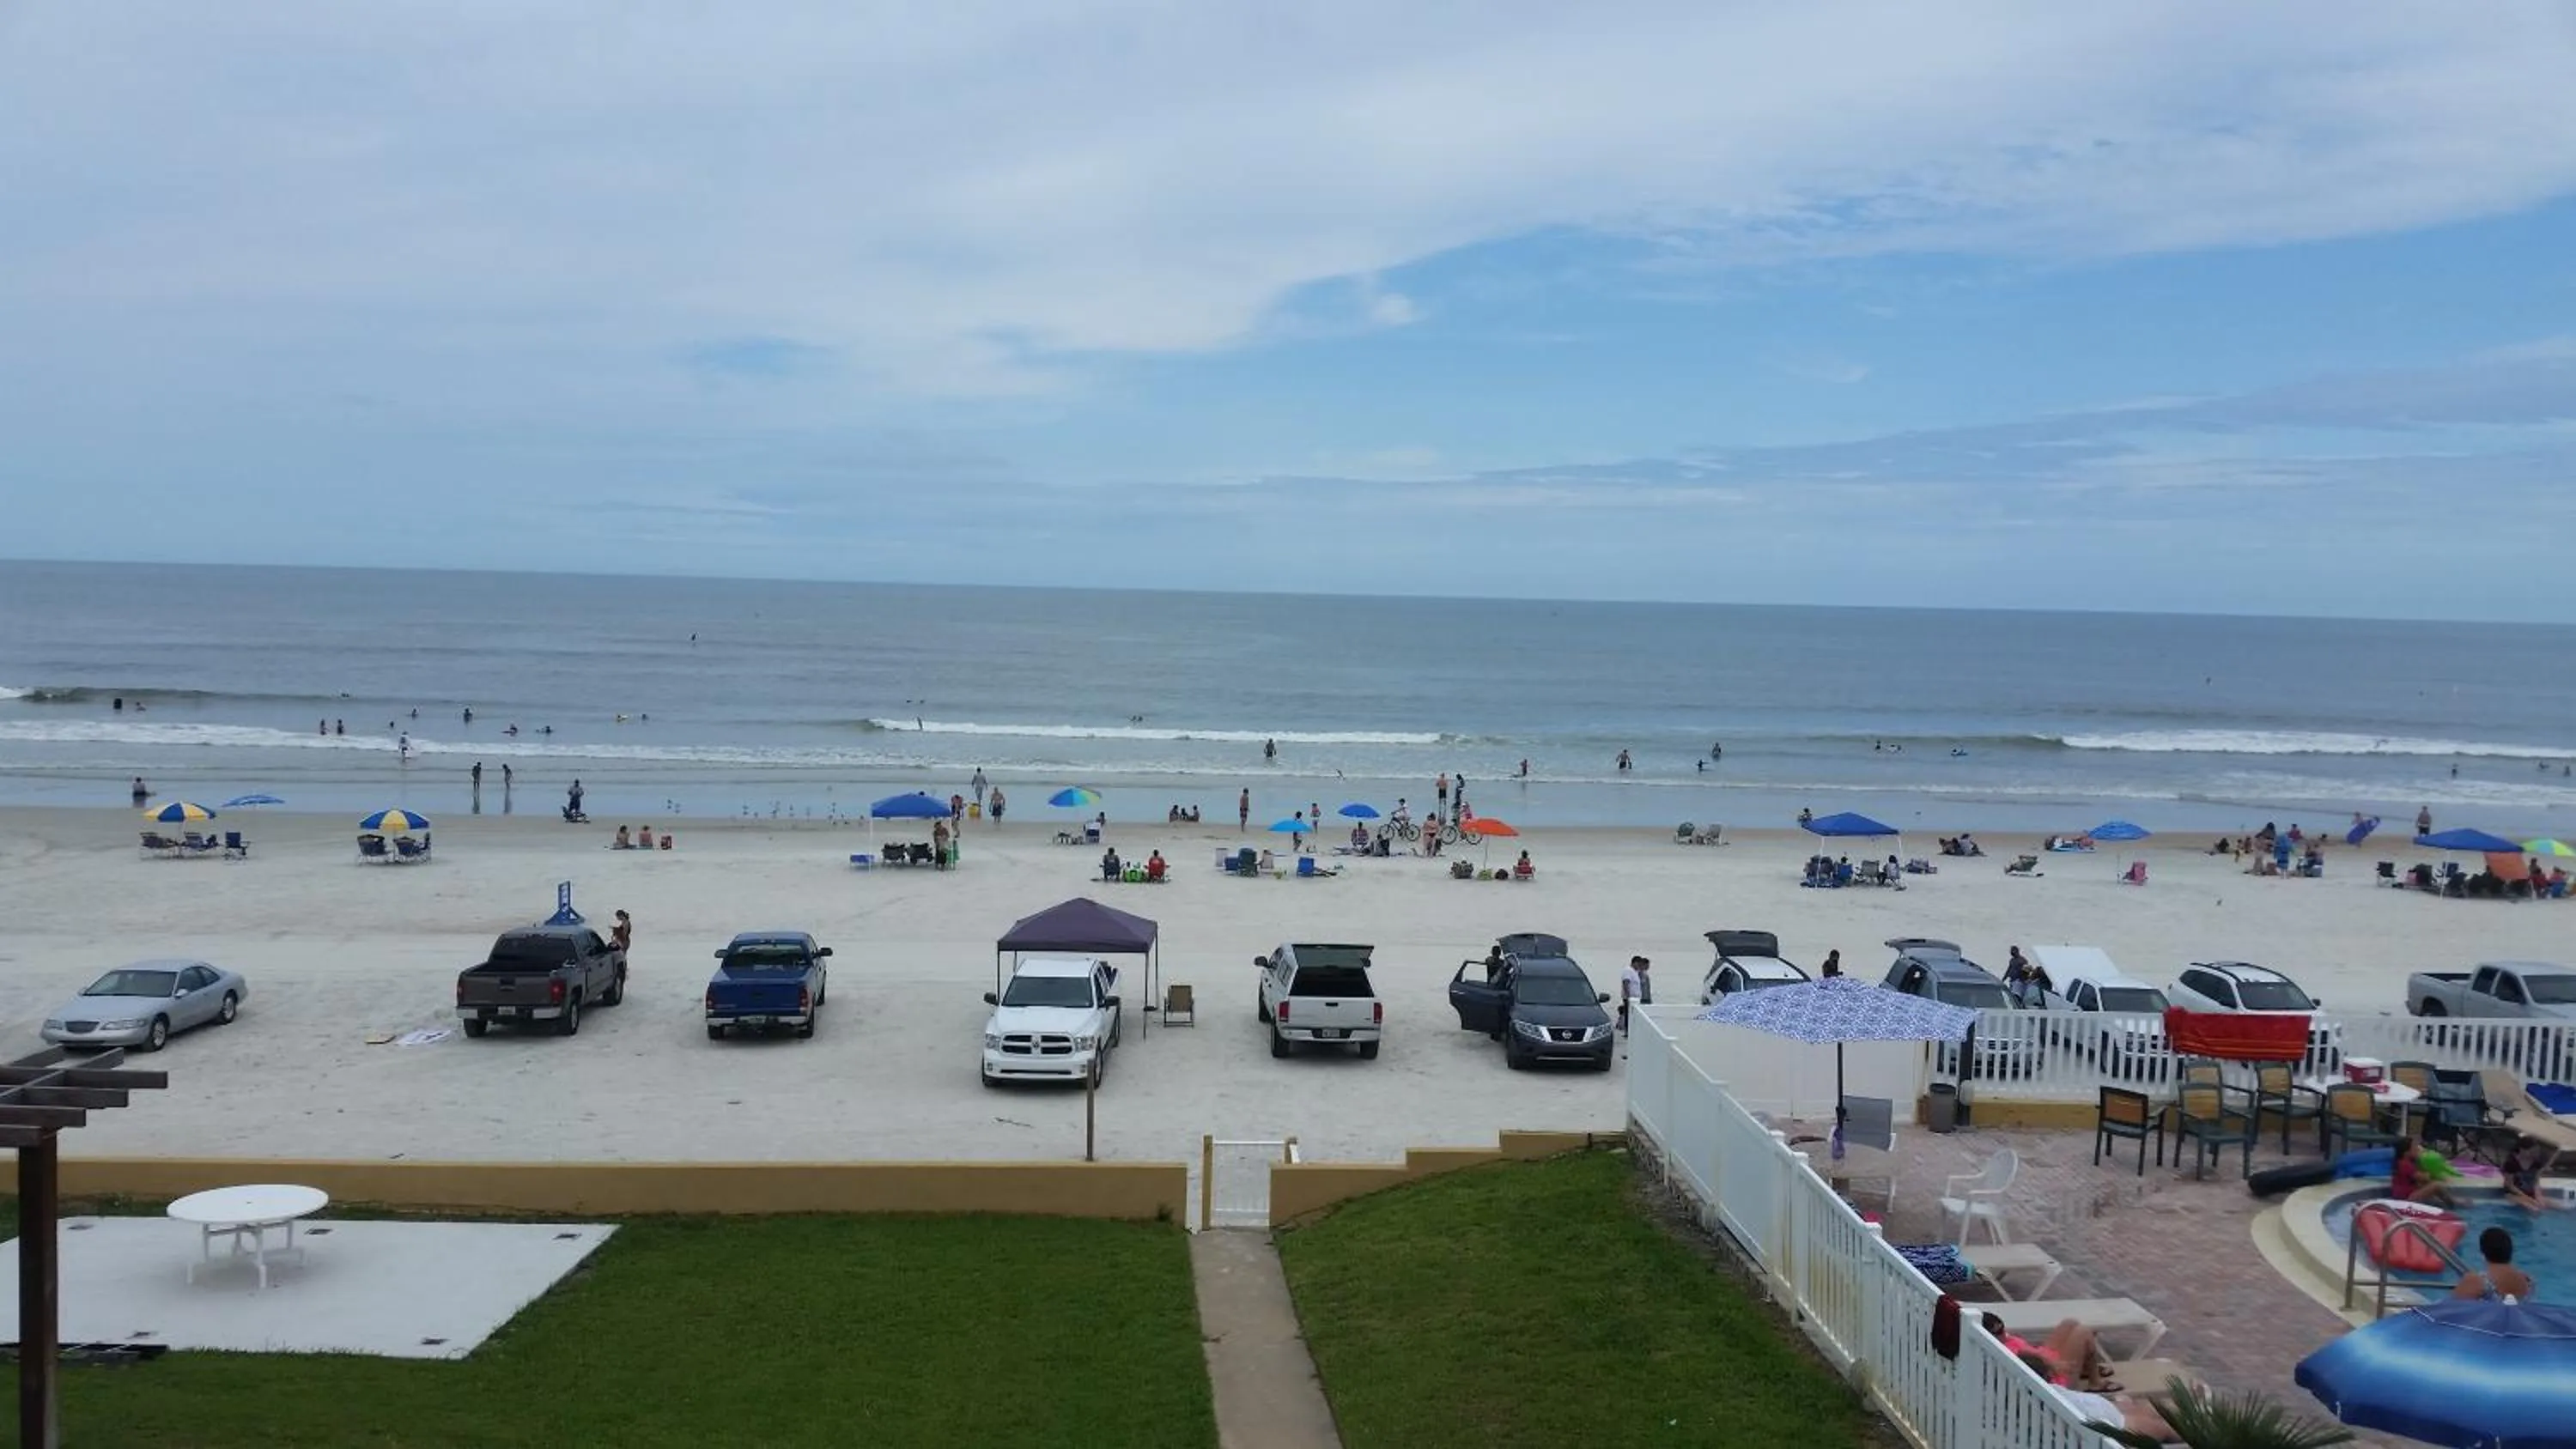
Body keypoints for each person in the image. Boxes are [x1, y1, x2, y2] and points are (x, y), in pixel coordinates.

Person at [2454, 1227, 2537, 1302]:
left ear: (2483, 1253)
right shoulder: (2528, 1282)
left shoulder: (2476, 1282)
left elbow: (2451, 1311)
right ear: (2510, 1251)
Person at [2392, 1136, 2460, 1207]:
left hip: (2406, 1196)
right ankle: (2453, 1204)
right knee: (2436, 1185)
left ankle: (2451, 1202)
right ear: (2406, 1153)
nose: (2418, 1149)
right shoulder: (2405, 1164)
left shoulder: (2404, 1162)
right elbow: (2424, 1178)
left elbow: (2421, 1182)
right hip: (2406, 1199)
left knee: (2430, 1191)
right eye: (2415, 1148)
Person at [2501, 1141, 2554, 1213]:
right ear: (2522, 1150)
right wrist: (2530, 1199)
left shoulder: (2537, 1162)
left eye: (2536, 1152)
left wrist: (2539, 1197)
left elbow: (2536, 1181)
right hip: (2513, 1194)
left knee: (2558, 1206)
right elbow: (2510, 1185)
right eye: (2532, 1151)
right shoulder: (2511, 1163)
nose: (2535, 1154)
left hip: (2530, 1193)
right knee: (2534, 1210)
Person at [1619, 955, 1651, 1036]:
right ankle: (1627, 1032)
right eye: (1639, 964)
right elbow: (1626, 983)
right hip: (1630, 999)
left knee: (1633, 1016)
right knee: (1629, 1015)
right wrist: (1629, 996)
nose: (1640, 966)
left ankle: (1632, 1031)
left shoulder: (1635, 972)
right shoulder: (1628, 970)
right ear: (1635, 963)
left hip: (1636, 999)